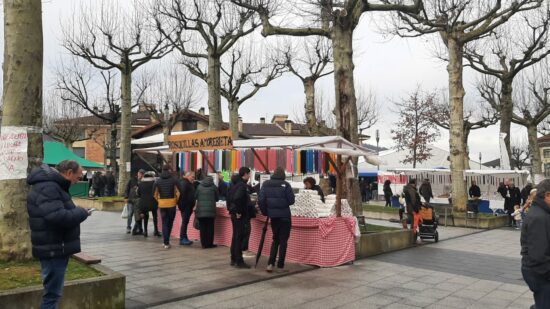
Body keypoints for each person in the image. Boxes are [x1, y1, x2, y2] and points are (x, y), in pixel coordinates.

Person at [27, 161, 91, 309]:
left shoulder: (51, 185)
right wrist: (82, 212)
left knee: (53, 293)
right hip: (53, 248)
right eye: (78, 176)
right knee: (52, 295)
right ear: (69, 173)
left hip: (54, 246)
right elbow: (58, 216)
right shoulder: (49, 187)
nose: (78, 180)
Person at [259, 167, 295, 273]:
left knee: (275, 239)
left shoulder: (265, 184)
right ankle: (280, 266)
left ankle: (270, 264)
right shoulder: (286, 185)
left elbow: (261, 200)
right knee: (283, 241)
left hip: (273, 217)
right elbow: (291, 200)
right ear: (283, 175)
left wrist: (266, 212)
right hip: (285, 216)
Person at [521, 179, 550, 309]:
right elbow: (538, 256)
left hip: (539, 271)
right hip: (540, 273)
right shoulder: (539, 217)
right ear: (547, 195)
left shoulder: (542, 212)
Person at [227, 167, 253, 268]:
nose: (250, 176)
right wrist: (238, 211)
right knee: (238, 237)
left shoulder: (235, 185)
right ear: (245, 174)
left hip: (234, 214)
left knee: (235, 237)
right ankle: (239, 261)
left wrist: (232, 210)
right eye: (249, 174)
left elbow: (229, 198)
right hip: (239, 215)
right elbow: (237, 198)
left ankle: (233, 258)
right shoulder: (242, 186)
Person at [153, 165, 184, 249]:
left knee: (164, 223)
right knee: (170, 222)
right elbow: (180, 191)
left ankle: (165, 242)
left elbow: (154, 194)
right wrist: (176, 200)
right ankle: (166, 241)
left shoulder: (158, 181)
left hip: (162, 204)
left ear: (162, 170)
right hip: (172, 204)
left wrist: (159, 200)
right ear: (169, 170)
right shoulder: (174, 180)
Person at [195, 176, 219, 248]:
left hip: (200, 211)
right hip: (210, 211)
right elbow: (217, 198)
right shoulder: (214, 187)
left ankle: (203, 244)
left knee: (202, 228)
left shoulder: (199, 186)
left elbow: (195, 196)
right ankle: (209, 244)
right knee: (210, 228)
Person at [136, 171, 158, 238]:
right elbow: (156, 192)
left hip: (143, 203)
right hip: (153, 202)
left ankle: (145, 231)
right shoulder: (154, 183)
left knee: (145, 217)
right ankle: (156, 231)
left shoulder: (140, 183)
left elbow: (138, 193)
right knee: (155, 216)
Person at [124, 169, 144, 234]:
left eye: (142, 174)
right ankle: (128, 227)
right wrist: (126, 197)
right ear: (138, 173)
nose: (140, 175)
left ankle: (137, 228)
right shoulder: (132, 179)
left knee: (137, 215)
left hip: (138, 201)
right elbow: (127, 188)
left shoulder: (143, 181)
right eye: (140, 173)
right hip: (131, 200)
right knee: (130, 214)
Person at [179, 171, 196, 245]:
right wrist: (183, 207)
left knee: (185, 222)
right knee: (184, 222)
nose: (193, 178)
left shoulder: (188, 183)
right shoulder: (184, 183)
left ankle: (184, 237)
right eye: (192, 177)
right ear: (187, 176)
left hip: (188, 207)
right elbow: (182, 196)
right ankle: (182, 238)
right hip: (185, 207)